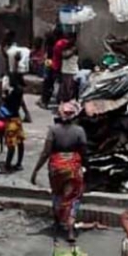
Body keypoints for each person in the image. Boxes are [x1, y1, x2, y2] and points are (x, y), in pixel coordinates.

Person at [31, 101, 87, 241]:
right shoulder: (79, 131)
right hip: (73, 167)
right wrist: (86, 168)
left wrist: (36, 170)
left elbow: (45, 153)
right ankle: (70, 229)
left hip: (56, 167)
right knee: (73, 197)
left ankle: (57, 221)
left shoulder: (53, 130)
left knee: (57, 193)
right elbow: (84, 152)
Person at [0, 73, 31, 173]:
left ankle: (7, 166)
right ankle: (19, 163)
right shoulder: (19, 91)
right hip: (17, 119)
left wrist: (3, 94)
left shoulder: (12, 92)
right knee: (20, 142)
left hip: (10, 120)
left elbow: (4, 101)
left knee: (11, 145)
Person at [59, 33, 79, 103]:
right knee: (64, 91)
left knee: (70, 90)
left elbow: (65, 55)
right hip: (65, 70)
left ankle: (70, 105)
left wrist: (63, 50)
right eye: (68, 38)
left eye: (71, 38)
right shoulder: (66, 47)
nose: (69, 40)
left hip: (72, 71)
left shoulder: (74, 48)